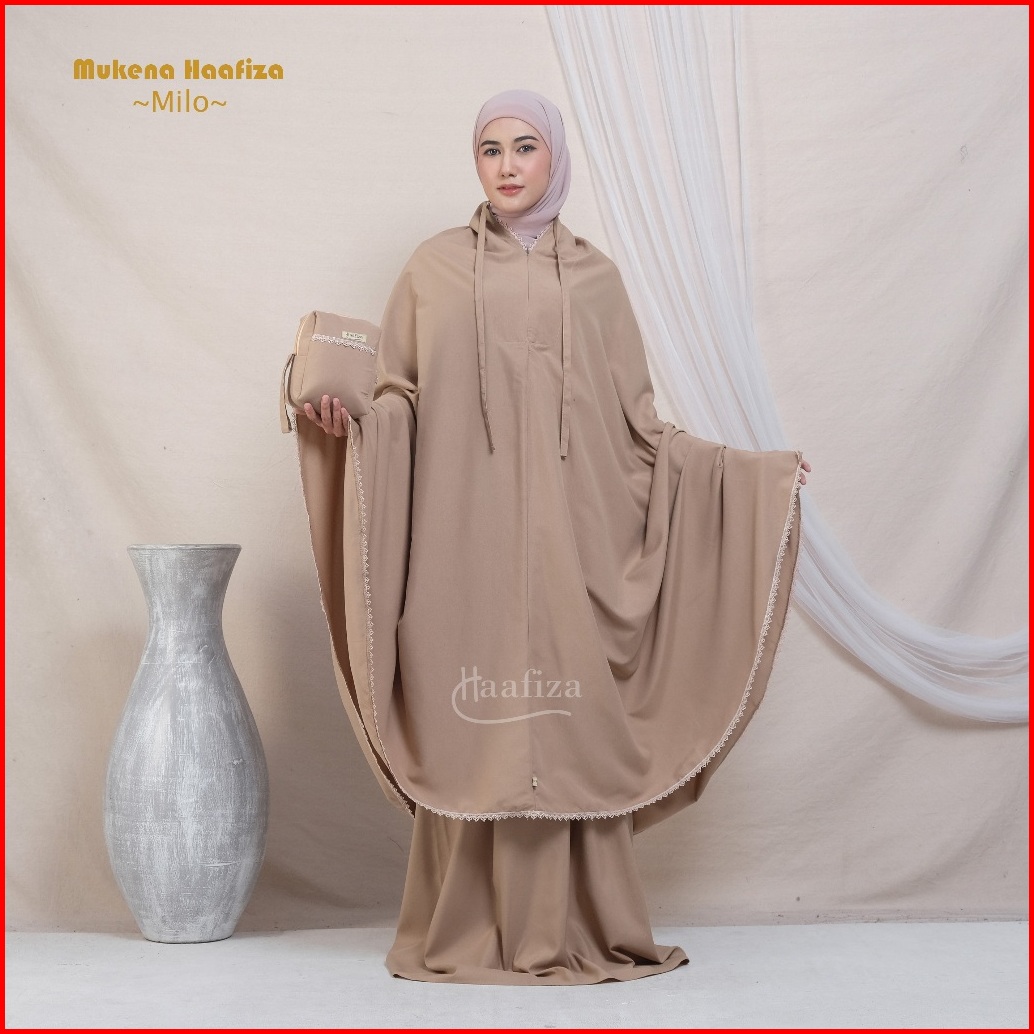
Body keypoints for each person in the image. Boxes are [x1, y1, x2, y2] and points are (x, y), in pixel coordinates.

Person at [293, 89, 811, 985]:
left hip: (574, 555)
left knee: (568, 732)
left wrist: (751, 477)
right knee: (469, 726)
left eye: (524, 146)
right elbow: (400, 400)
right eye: (490, 149)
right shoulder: (432, 270)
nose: (506, 165)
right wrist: (357, 424)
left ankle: (582, 925)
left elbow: (643, 430)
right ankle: (464, 930)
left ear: (555, 157)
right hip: (461, 546)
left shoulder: (598, 280)